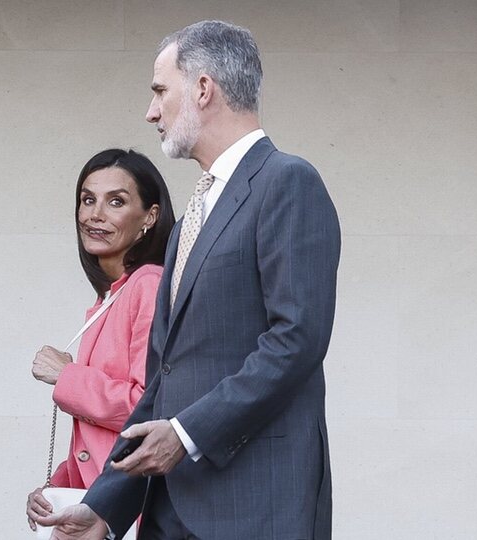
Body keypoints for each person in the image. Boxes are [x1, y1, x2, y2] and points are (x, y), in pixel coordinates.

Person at [37, 20, 341, 540]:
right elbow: (163, 382)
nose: (151, 112)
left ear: (203, 89)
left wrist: (186, 433)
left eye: (160, 91)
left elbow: (297, 341)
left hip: (254, 510)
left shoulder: (288, 182)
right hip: (169, 512)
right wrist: (105, 506)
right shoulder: (190, 220)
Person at [26, 148, 175, 532]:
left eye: (116, 202)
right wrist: (57, 489)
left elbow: (148, 409)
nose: (96, 214)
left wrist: (68, 377)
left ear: (150, 217)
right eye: (88, 199)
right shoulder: (110, 298)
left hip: (133, 515)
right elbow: (96, 441)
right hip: (102, 511)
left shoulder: (148, 285)